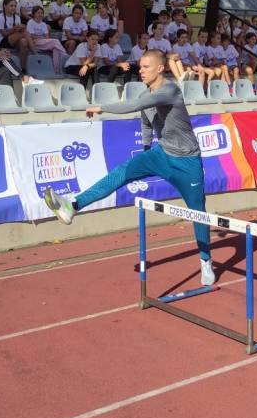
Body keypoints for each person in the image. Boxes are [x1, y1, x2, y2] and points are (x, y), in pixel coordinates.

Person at [43, 49, 215, 285]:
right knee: (121, 172)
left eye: (146, 67)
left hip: (187, 161)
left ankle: (205, 261)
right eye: (140, 67)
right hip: (160, 154)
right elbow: (147, 124)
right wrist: (146, 153)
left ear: (160, 68)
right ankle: (73, 206)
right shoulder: (146, 94)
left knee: (198, 212)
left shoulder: (170, 90)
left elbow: (135, 105)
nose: (140, 71)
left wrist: (102, 108)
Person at [26, 5, 67, 70]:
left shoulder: (44, 24)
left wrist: (40, 37)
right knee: (55, 41)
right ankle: (65, 55)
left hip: (44, 43)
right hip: (35, 43)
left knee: (56, 49)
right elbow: (31, 36)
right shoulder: (31, 22)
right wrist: (41, 37)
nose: (40, 14)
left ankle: (56, 69)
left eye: (42, 13)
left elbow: (47, 37)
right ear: (34, 14)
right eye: (38, 13)